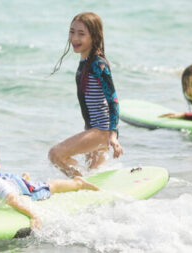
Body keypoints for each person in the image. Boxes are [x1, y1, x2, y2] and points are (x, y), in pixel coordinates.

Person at [0, 141, 100, 228]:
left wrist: (34, 216)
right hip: (4, 179)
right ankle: (25, 178)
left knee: (44, 189)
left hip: (14, 184)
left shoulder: (0, 188)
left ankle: (77, 182)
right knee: (18, 182)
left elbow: (16, 202)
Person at [48, 12, 123, 178]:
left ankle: (79, 181)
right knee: (96, 175)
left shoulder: (98, 64)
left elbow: (113, 101)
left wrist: (113, 135)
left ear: (94, 37)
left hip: (101, 130)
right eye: (72, 32)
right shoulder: (86, 61)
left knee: (55, 154)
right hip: (93, 128)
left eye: (81, 34)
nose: (75, 38)